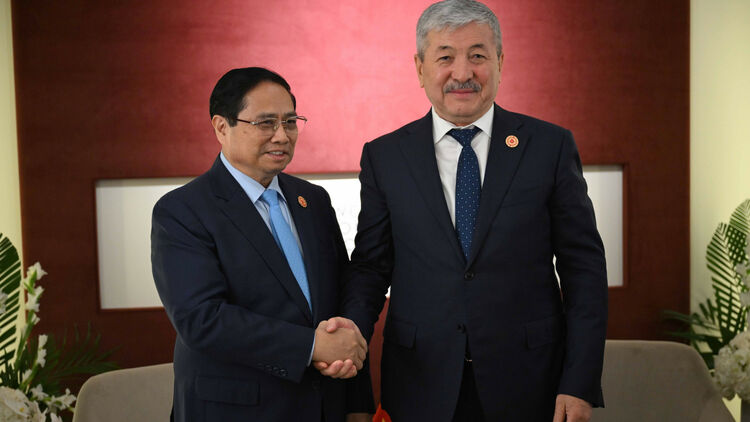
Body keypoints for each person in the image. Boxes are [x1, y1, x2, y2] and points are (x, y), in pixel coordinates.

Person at [337, 1, 608, 421]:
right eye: (445, 57)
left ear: (500, 62)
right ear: (420, 67)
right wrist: (350, 332)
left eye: (478, 56)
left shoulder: (549, 147)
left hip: (530, 381)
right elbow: (372, 267)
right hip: (420, 382)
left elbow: (583, 270)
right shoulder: (385, 157)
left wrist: (579, 382)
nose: (462, 73)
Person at [151, 67, 374, 422]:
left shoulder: (313, 201)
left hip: (324, 407)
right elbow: (202, 319)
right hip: (234, 411)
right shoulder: (182, 211)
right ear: (221, 127)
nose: (282, 136)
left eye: (290, 122)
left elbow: (341, 304)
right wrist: (311, 346)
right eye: (266, 123)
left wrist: (358, 404)